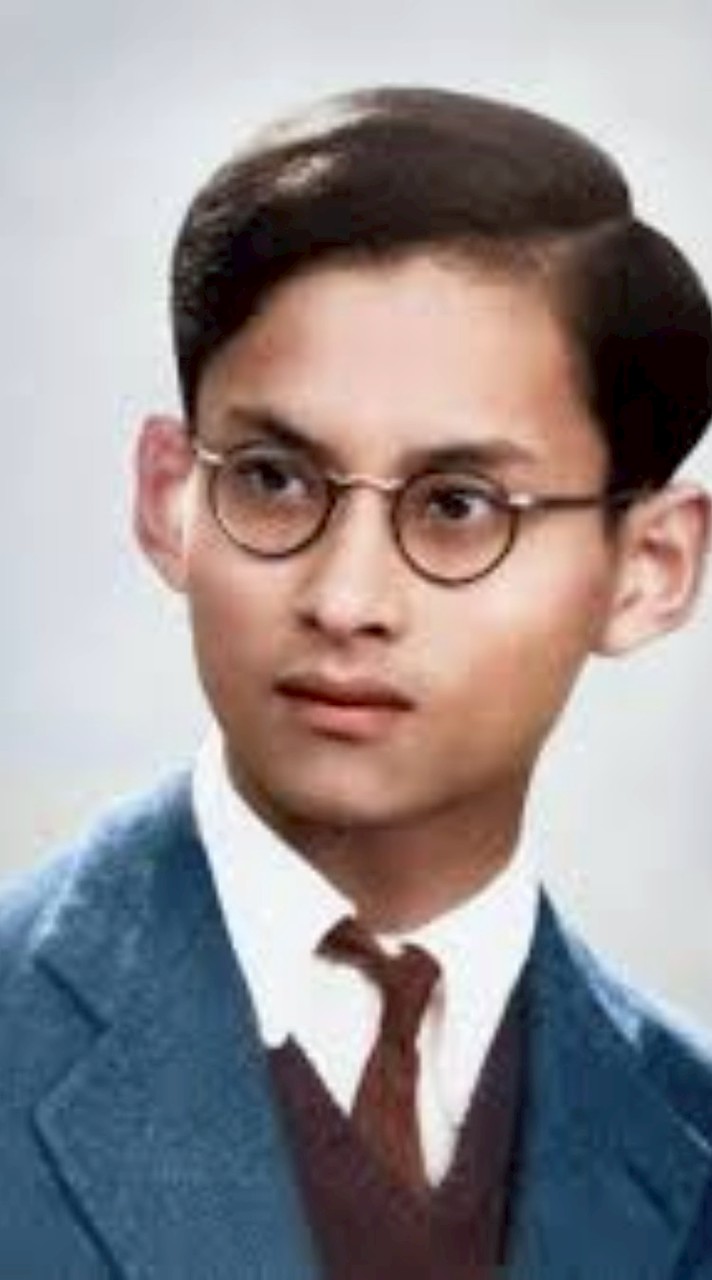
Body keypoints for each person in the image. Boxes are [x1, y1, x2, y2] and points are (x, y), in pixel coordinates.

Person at [2, 86, 712, 1280]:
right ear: (170, 498)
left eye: (457, 506)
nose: (344, 596)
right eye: (274, 480)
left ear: (649, 568)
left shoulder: (687, 1120)